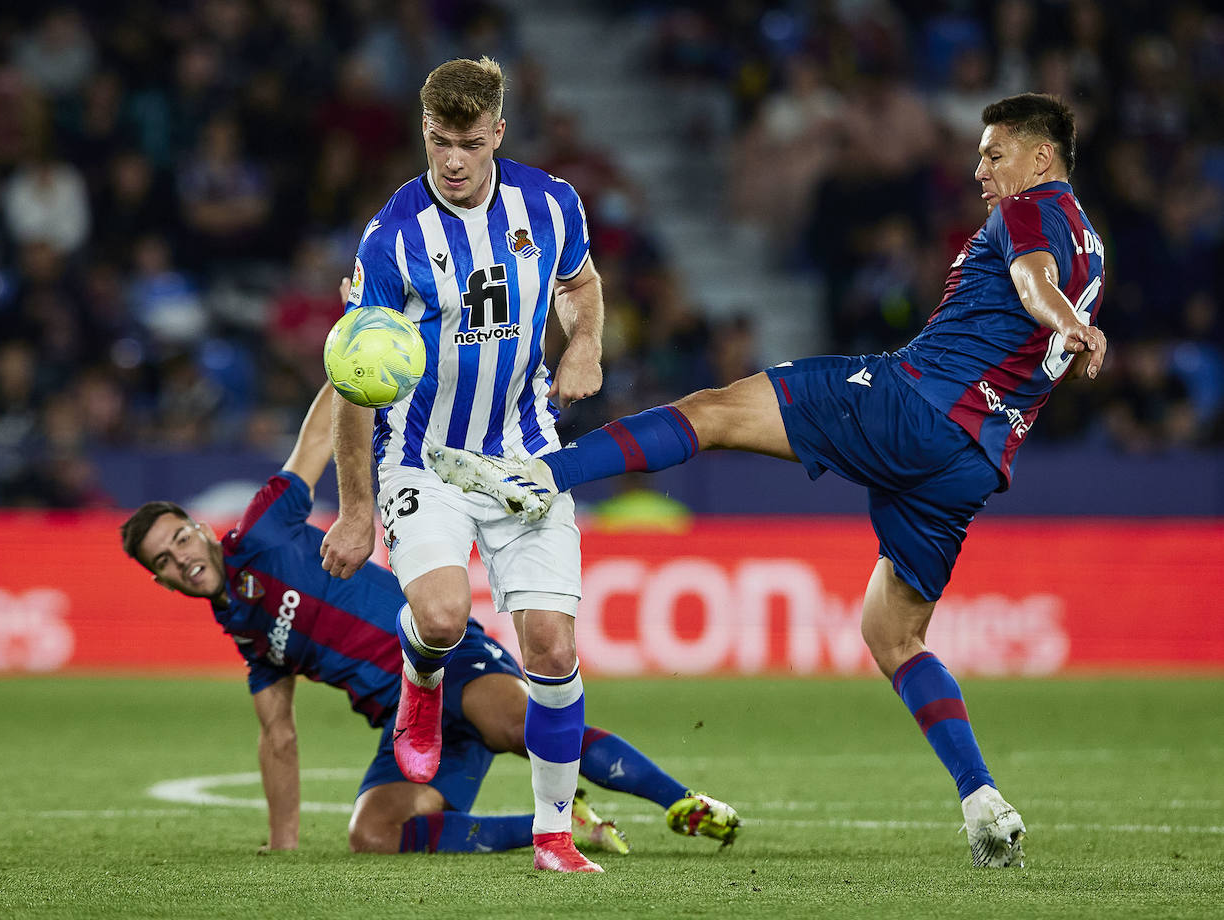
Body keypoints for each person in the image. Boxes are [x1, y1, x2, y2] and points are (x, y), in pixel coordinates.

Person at [431, 93, 1108, 869]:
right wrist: (1071, 322)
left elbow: (1031, 281)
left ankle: (538, 477)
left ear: (1041, 158)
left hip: (912, 405)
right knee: (893, 635)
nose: (981, 169)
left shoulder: (1035, 210)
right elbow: (1038, 296)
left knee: (711, 410)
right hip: (972, 463)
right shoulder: (1091, 239)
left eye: (995, 154)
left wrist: (1067, 322)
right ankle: (982, 797)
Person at [120, 383, 741, 857]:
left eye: (180, 539)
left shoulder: (258, 532)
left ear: (201, 529)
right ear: (162, 579)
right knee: (373, 833)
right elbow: (277, 737)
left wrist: (352, 353)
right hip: (409, 728)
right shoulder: (247, 632)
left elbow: (312, 444)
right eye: (165, 560)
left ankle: (682, 802)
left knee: (521, 725)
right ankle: (558, 829)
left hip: (447, 659)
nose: (181, 558)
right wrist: (283, 846)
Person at [318, 57, 629, 872]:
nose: (450, 161)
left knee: (553, 651)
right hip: (424, 459)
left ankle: (554, 838)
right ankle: (421, 679)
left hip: (526, 454)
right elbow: (353, 382)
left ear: (497, 132)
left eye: (465, 142)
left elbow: (581, 283)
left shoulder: (552, 203)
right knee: (447, 618)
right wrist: (354, 509)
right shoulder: (392, 238)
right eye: (435, 142)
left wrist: (586, 341)